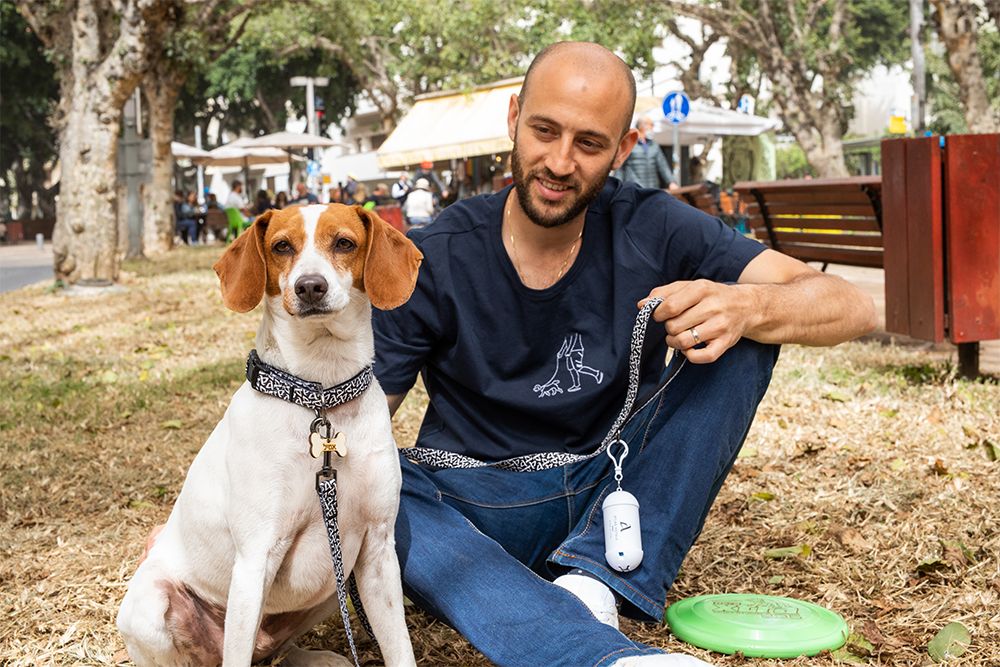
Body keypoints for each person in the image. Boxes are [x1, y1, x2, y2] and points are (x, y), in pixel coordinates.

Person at [371, 42, 876, 667]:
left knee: (745, 332)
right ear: (514, 118)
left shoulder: (654, 224)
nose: (560, 162)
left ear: (623, 149)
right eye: (545, 130)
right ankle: (599, 653)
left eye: (589, 143)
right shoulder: (433, 254)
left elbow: (853, 305)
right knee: (368, 483)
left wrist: (748, 305)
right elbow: (355, 426)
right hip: (472, 507)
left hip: (614, 498)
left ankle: (594, 582)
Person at [617, 117, 678, 190]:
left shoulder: (654, 145)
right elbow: (620, 167)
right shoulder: (630, 144)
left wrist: (671, 182)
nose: (652, 129)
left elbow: (662, 165)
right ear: (641, 126)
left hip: (652, 188)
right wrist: (617, 186)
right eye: (651, 125)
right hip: (634, 189)